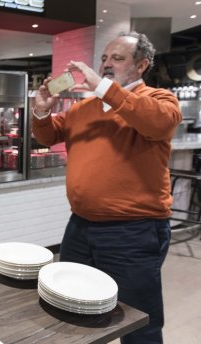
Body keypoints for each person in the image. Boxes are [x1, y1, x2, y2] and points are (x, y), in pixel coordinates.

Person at [32, 31, 182, 343]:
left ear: (141, 66)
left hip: (134, 231)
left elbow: (157, 122)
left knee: (139, 321)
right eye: (104, 58)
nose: (106, 64)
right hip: (80, 228)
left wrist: (103, 89)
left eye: (117, 58)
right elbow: (48, 136)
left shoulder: (158, 100)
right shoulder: (83, 109)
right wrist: (43, 110)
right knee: (70, 306)